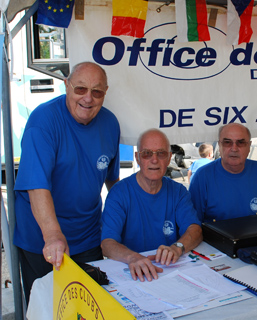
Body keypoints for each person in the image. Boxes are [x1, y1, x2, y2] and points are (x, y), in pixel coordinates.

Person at [13, 61, 120, 304]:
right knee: (48, 309)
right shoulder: (43, 121)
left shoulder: (111, 123)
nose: (88, 98)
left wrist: (120, 223)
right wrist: (52, 235)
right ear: (66, 86)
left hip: (88, 236)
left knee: (87, 307)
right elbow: (37, 185)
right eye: (80, 89)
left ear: (105, 93)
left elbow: (113, 183)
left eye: (97, 91)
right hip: (43, 239)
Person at [101, 129, 202, 282]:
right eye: (147, 153)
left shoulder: (178, 192)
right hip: (133, 275)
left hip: (169, 272)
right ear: (137, 158)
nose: (154, 160)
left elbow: (195, 230)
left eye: (161, 153)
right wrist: (133, 258)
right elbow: (107, 244)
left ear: (169, 158)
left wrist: (177, 247)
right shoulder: (119, 194)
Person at [189, 123, 257, 222]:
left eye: (241, 142)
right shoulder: (202, 177)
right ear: (219, 146)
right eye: (227, 142)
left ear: (249, 146)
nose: (234, 148)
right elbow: (193, 226)